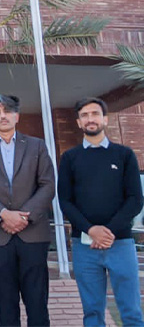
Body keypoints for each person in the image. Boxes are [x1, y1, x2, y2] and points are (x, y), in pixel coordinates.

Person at [0, 94, 55, 326]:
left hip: (33, 234)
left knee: (37, 302)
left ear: (17, 116)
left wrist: (24, 216)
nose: (3, 116)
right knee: (5, 304)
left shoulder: (36, 145)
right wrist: (3, 215)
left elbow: (47, 185)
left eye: (7, 111)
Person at [58, 97, 144, 327]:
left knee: (132, 312)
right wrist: (90, 230)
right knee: (93, 313)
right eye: (84, 115)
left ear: (105, 119)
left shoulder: (124, 155)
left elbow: (136, 200)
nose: (90, 119)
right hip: (84, 246)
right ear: (79, 123)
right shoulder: (69, 158)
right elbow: (65, 201)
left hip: (121, 243)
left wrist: (107, 232)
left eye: (95, 114)